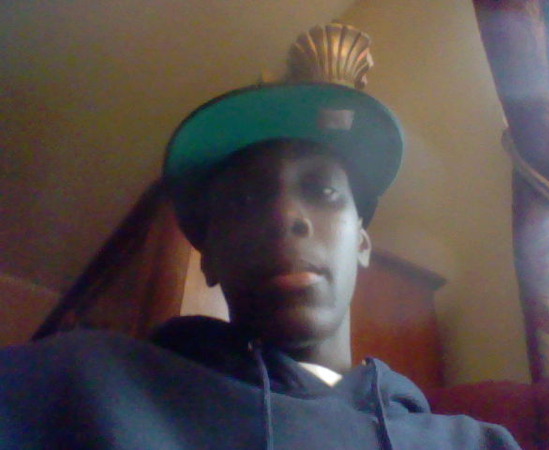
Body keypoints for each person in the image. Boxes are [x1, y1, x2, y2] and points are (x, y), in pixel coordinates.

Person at [0, 82, 520, 449]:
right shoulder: (77, 380)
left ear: (362, 242)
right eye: (245, 200)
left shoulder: (475, 443)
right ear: (209, 261)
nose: (285, 217)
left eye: (322, 190)